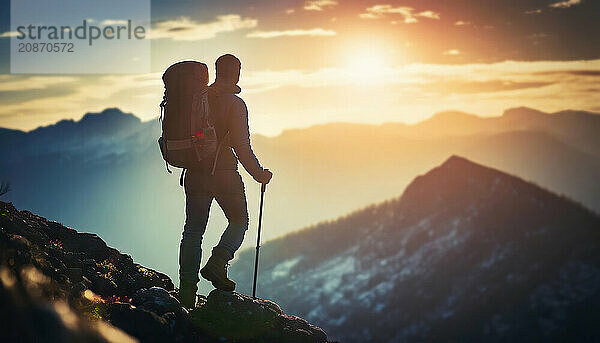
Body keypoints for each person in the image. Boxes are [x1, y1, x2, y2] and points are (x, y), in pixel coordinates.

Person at [178, 54, 272, 307]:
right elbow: (241, 146)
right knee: (239, 221)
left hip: (194, 173)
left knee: (193, 230)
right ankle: (218, 262)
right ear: (237, 73)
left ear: (216, 71)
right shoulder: (235, 104)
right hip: (223, 173)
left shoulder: (196, 100)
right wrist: (259, 174)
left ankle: (186, 293)